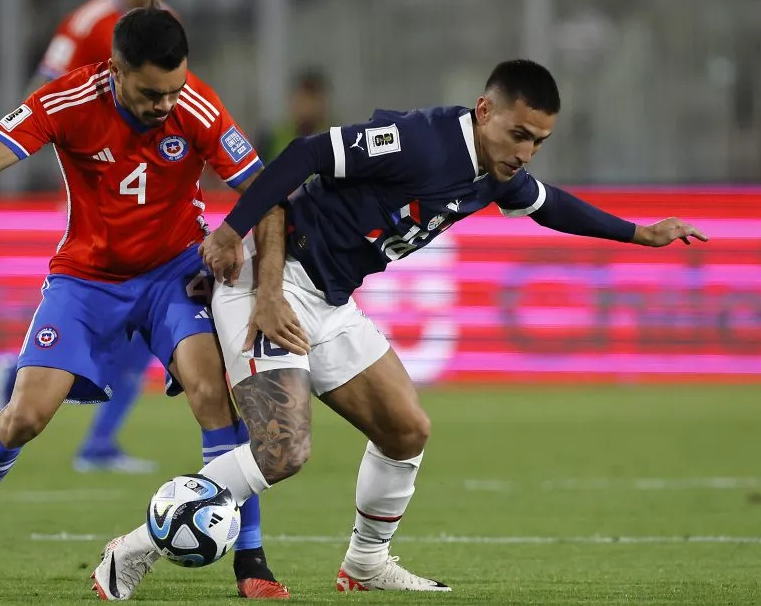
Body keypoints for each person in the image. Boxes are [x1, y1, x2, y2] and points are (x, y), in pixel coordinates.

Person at [90, 59, 709, 597]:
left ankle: (365, 564)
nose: (523, 152)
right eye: (518, 134)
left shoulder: (494, 173)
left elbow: (548, 205)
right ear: (484, 110)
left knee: (406, 429)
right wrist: (231, 231)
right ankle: (134, 547)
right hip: (271, 282)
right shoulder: (421, 140)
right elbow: (307, 154)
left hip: (329, 299)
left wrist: (642, 233)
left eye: (538, 142)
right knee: (283, 452)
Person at [0, 8, 290, 600]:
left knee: (214, 393)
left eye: (174, 89)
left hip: (173, 275)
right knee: (25, 417)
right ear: (115, 70)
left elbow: (266, 193)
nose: (165, 105)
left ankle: (252, 561)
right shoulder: (67, 100)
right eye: (150, 93)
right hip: (85, 280)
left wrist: (266, 283)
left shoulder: (197, 106)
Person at [0, 0, 179, 474]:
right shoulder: (87, 23)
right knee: (115, 320)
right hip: (97, 201)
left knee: (136, 330)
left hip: (146, 204)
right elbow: (42, 97)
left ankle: (93, 438)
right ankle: (20, 380)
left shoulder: (168, 25)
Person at [258, 70, 330, 164]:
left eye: (313, 100)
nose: (308, 108)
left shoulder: (335, 140)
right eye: (303, 100)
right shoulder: (272, 138)